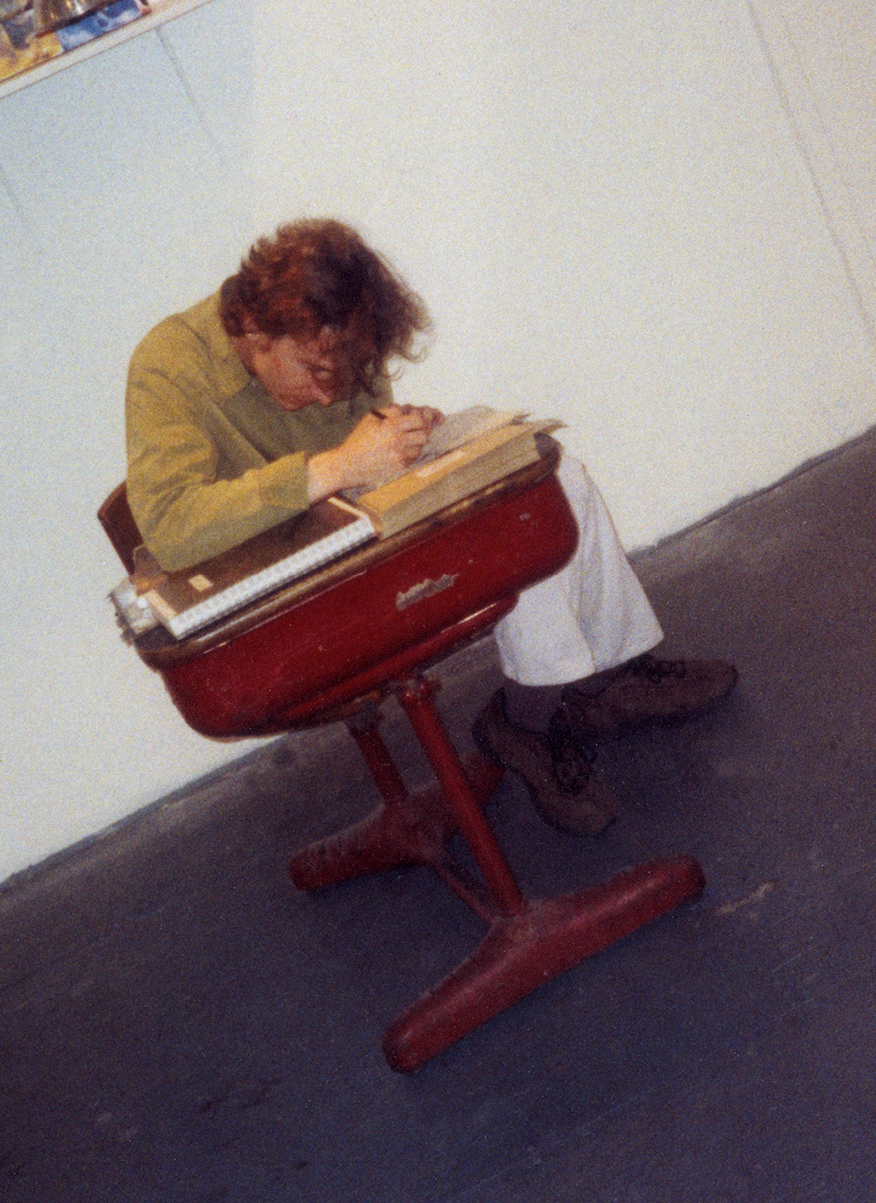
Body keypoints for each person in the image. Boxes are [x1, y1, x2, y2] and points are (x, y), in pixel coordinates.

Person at [125, 218, 736, 836]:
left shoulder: (338, 332)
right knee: (512, 511)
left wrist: (404, 439)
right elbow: (172, 527)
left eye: (344, 370)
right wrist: (334, 466)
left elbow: (368, 449)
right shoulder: (169, 364)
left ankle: (603, 677)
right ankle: (529, 724)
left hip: (368, 537)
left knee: (544, 474)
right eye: (312, 371)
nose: (327, 392)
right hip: (291, 602)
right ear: (253, 332)